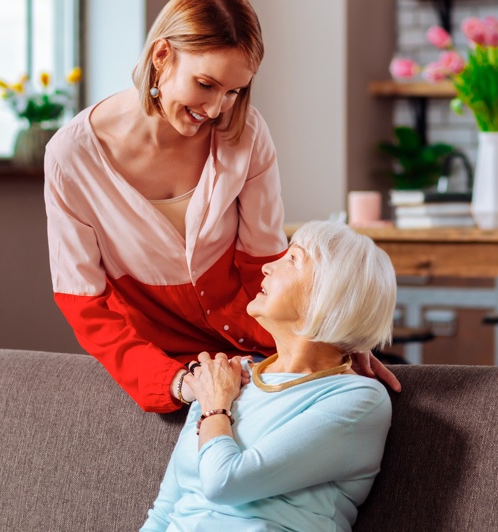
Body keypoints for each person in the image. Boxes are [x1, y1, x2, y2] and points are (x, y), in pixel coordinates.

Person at [43, 0, 399, 414]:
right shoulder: (73, 158)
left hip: (261, 356)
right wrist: (176, 382)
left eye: (234, 91)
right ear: (162, 55)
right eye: (206, 84)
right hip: (172, 370)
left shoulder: (245, 133)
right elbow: (87, 304)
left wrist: (325, 340)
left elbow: (263, 262)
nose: (215, 110)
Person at [141, 220, 397, 531]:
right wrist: (215, 397)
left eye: (292, 259)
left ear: (329, 295)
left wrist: (215, 407)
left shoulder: (358, 400)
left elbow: (225, 482)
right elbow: (164, 512)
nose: (266, 268)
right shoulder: (228, 377)